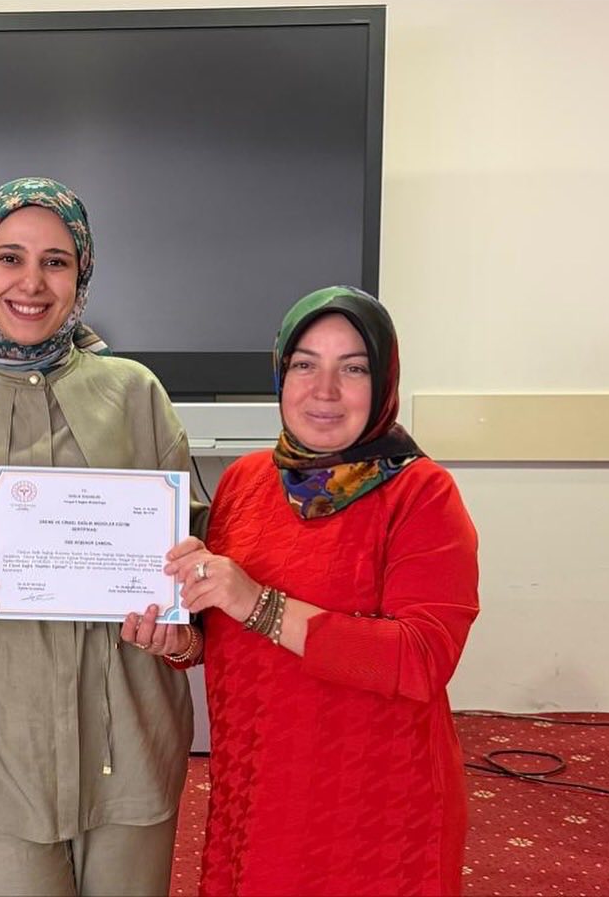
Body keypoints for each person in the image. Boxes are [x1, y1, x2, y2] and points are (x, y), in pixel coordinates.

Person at [0, 177, 205, 896]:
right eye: (9, 258)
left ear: (81, 276)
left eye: (56, 261)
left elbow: (193, 558)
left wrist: (182, 621)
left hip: (130, 737)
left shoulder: (136, 393)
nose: (31, 282)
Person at [165, 285, 479, 896]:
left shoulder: (422, 494)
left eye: (353, 368)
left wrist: (259, 603)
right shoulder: (246, 481)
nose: (325, 390)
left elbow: (421, 658)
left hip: (370, 798)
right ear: (281, 374)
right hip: (254, 780)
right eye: (305, 365)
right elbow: (228, 627)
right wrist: (179, 642)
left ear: (383, 382)